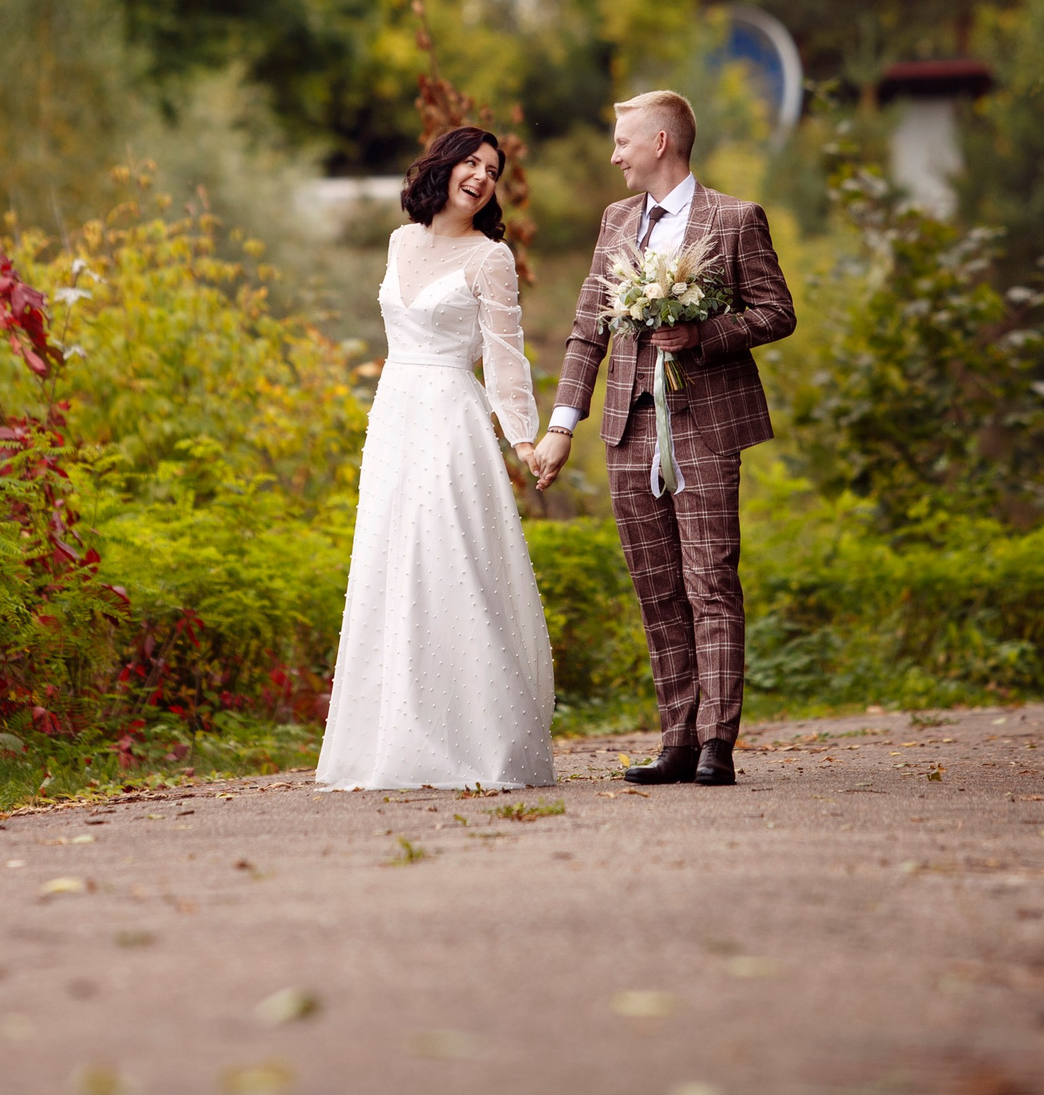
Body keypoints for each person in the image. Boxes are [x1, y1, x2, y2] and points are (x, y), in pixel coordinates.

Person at [527, 91, 795, 787]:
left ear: (660, 142)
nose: (614, 155)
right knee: (656, 587)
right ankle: (676, 737)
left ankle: (717, 744)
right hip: (628, 426)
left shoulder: (734, 219)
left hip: (706, 421)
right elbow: (589, 329)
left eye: (622, 141)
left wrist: (705, 335)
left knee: (710, 580)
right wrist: (562, 424)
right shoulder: (617, 220)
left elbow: (776, 311)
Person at [315, 125, 557, 791]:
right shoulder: (400, 241)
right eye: (471, 163)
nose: (481, 175)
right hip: (393, 417)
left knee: (451, 565)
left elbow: (506, 358)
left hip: (452, 419)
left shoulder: (490, 258)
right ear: (443, 167)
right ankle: (391, 740)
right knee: (391, 568)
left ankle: (479, 740)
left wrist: (524, 439)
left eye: (493, 169)